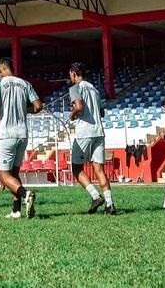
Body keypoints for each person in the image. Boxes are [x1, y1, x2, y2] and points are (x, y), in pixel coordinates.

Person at [0, 57, 42, 219]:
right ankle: (16, 210)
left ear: (1, 70)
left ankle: (25, 194)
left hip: (6, 134)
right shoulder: (25, 84)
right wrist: (23, 110)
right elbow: (38, 106)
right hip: (22, 133)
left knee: (2, 175)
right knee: (14, 174)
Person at [68, 62, 116, 215]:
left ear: (74, 74)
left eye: (71, 76)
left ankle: (95, 197)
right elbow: (101, 112)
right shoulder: (94, 89)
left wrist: (72, 115)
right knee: (99, 169)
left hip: (85, 132)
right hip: (99, 131)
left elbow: (79, 106)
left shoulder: (75, 88)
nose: (70, 79)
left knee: (76, 168)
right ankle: (110, 204)